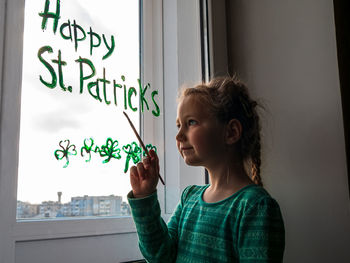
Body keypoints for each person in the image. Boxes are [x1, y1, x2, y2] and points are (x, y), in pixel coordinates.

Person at [127, 76, 285, 262]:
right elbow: (160, 256)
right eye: (179, 125)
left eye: (191, 122)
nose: (178, 135)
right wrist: (144, 198)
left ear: (231, 132)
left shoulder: (255, 207)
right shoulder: (189, 198)